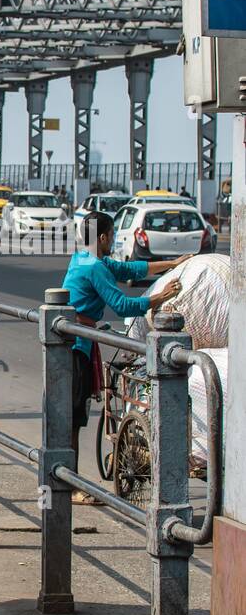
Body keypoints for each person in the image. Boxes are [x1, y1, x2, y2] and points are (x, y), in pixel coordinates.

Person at [61, 211, 187, 505]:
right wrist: (162, 297)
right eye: (113, 234)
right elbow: (122, 305)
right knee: (72, 420)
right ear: (104, 237)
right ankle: (69, 484)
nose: (115, 239)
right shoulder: (95, 267)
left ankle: (66, 479)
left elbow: (128, 269)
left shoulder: (84, 258)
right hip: (76, 345)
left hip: (76, 339)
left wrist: (171, 264)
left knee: (70, 418)